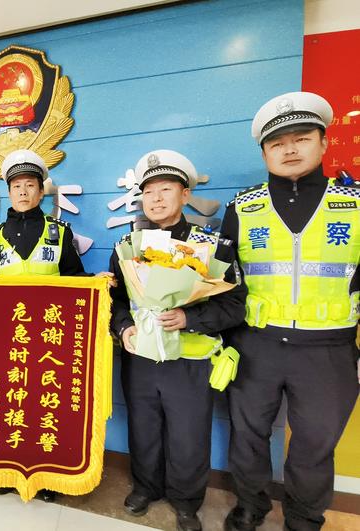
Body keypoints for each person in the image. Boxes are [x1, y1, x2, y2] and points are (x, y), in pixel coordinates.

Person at [221, 92, 360, 531]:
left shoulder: (356, 204)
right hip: (255, 343)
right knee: (248, 435)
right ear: (264, 153)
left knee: (315, 444)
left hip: (329, 349)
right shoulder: (243, 208)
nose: (290, 149)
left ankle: (304, 518)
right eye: (277, 143)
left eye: (301, 138)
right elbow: (224, 279)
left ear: (324, 142)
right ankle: (251, 505)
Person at [108, 150, 247, 531]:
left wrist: (190, 318)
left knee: (189, 434)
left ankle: (186, 501)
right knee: (143, 428)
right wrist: (124, 327)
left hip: (190, 360)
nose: (155, 198)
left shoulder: (212, 247)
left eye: (165, 189)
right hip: (140, 358)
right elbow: (114, 300)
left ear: (185, 195)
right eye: (148, 191)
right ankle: (146, 487)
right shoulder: (128, 247)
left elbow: (235, 305)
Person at [0, 149, 86, 503]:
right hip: (7, 340)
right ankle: (6, 471)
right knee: (9, 405)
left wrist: (96, 285)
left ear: (42, 192)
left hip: (50, 341)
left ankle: (47, 475)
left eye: (30, 185)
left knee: (46, 407)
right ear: (9, 192)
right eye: (17, 186)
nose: (23, 191)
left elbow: (75, 279)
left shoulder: (60, 232)